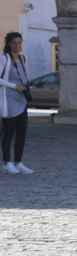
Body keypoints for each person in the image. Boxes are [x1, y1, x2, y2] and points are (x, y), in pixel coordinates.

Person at [1, 31, 33, 174]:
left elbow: (23, 76)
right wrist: (14, 86)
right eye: (14, 43)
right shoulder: (4, 59)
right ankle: (7, 162)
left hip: (21, 100)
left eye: (19, 43)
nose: (17, 46)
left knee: (22, 132)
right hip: (8, 99)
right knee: (8, 132)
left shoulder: (22, 59)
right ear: (9, 44)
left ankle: (18, 161)